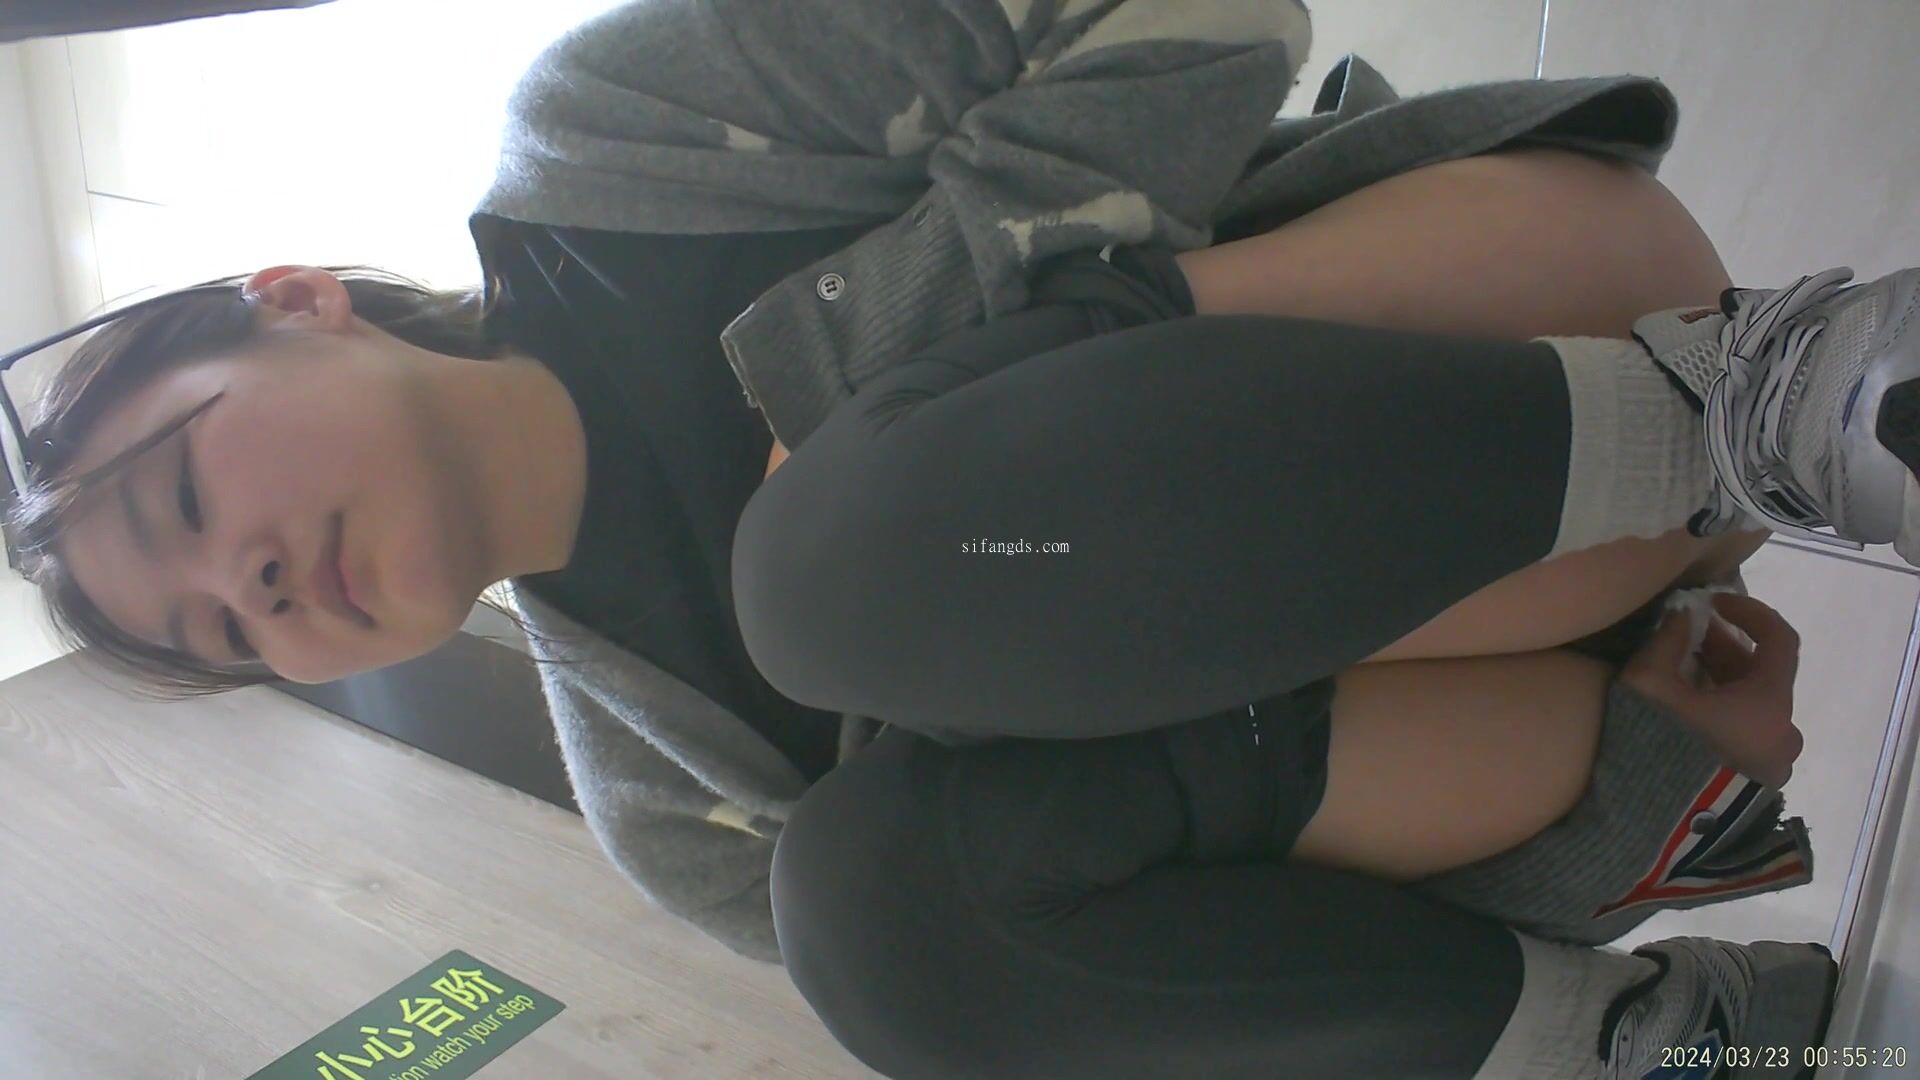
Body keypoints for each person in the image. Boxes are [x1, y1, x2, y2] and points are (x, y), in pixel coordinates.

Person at [0, 1, 1893, 1075]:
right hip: (1523, 702)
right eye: (229, 634)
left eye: (189, 497)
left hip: (1551, 332)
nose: (250, 584)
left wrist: (909, 363)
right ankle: (1644, 1043)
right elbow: (1240, 950)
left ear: (296, 299)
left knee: (827, 573)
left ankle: (1782, 405)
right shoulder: (671, 808)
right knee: (866, 905)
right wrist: (1643, 803)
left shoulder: (618, 139)